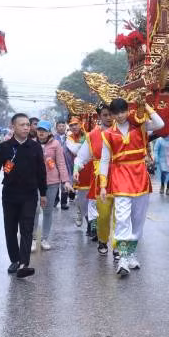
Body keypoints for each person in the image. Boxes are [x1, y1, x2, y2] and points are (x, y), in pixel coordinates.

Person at [99, 99, 164, 276]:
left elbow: (160, 123)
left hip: (140, 175)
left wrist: (146, 105)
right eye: (115, 113)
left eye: (122, 111)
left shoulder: (140, 126)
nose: (119, 116)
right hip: (120, 176)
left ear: (128, 111)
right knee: (121, 217)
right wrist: (103, 185)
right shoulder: (108, 134)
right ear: (111, 115)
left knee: (138, 220)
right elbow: (105, 160)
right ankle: (123, 258)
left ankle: (130, 253)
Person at [0, 113, 47, 278]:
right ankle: (14, 259)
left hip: (29, 194)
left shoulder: (35, 147)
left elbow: (41, 171)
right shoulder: (5, 147)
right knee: (11, 228)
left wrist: (43, 193)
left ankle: (24, 263)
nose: (26, 128)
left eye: (28, 125)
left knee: (27, 228)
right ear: (13, 127)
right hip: (10, 194)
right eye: (22, 125)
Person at [72, 105, 115, 255]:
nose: (109, 118)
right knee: (103, 216)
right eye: (105, 115)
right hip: (101, 180)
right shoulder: (92, 136)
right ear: (100, 117)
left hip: (122, 177)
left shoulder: (123, 131)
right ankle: (103, 240)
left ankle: (119, 250)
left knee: (122, 216)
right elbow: (81, 157)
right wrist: (76, 169)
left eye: (111, 114)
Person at [35, 120, 72, 251]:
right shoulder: (32, 143)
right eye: (39, 130)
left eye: (44, 130)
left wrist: (66, 181)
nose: (41, 132)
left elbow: (61, 164)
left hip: (52, 182)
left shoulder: (56, 144)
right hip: (35, 183)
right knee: (35, 210)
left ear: (49, 132)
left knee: (47, 211)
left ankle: (44, 239)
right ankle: (34, 238)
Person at [66, 116, 91, 230]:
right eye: (71, 125)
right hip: (79, 169)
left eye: (76, 124)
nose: (74, 127)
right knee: (83, 199)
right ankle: (83, 215)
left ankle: (92, 225)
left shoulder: (89, 133)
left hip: (93, 168)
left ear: (81, 124)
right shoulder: (69, 138)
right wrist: (86, 141)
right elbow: (76, 150)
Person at [53, 119, 70, 210]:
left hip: (66, 163)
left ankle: (64, 202)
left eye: (63, 126)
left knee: (65, 182)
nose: (61, 127)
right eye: (59, 126)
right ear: (56, 128)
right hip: (55, 163)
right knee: (55, 182)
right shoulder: (52, 138)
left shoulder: (69, 137)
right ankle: (55, 200)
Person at [154, 130, 169, 195]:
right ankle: (162, 186)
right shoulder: (159, 140)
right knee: (163, 174)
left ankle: (168, 188)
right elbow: (156, 150)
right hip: (161, 160)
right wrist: (156, 158)